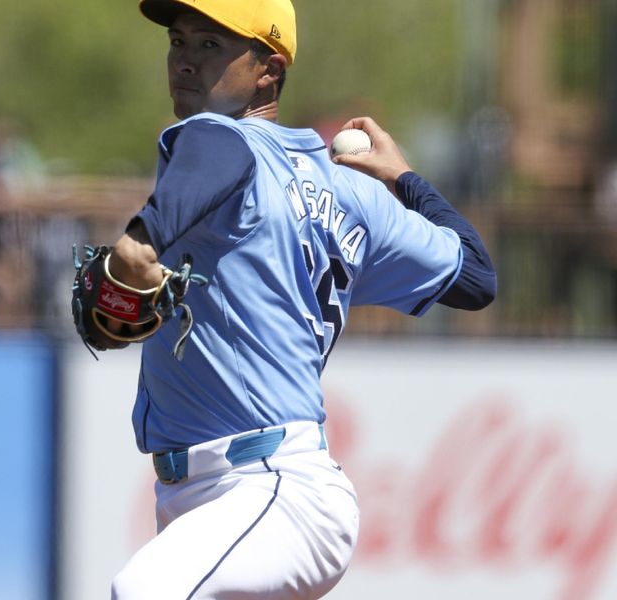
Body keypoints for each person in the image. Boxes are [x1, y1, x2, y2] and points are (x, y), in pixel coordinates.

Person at [99, 0, 496, 598]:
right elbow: (474, 275)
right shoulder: (353, 197)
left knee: (143, 592)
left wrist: (134, 252)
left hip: (268, 489)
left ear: (269, 69)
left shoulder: (212, 135)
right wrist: (404, 179)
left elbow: (142, 247)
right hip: (236, 497)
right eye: (179, 41)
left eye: (211, 45)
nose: (184, 60)